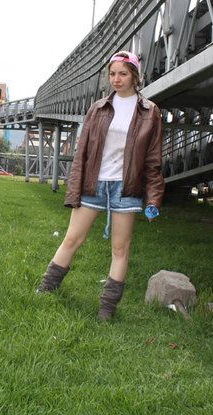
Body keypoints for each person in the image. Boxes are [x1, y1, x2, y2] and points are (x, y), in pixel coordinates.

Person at [36, 50, 164, 321]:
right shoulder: (98, 108)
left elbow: (153, 161)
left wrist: (153, 200)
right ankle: (46, 290)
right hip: (94, 184)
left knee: (120, 250)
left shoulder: (150, 112)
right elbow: (82, 152)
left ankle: (106, 310)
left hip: (125, 189)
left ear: (135, 76)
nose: (116, 79)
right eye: (112, 74)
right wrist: (74, 190)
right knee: (72, 238)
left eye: (123, 74)